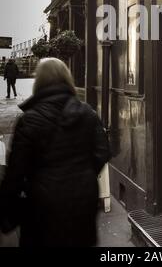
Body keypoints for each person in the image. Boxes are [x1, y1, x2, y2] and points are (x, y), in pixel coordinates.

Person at [0, 58, 111, 247]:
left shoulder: (30, 119)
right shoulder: (87, 112)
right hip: (82, 202)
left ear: (39, 82)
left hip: (42, 206)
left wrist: (8, 212)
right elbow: (103, 151)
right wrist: (84, 173)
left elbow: (15, 173)